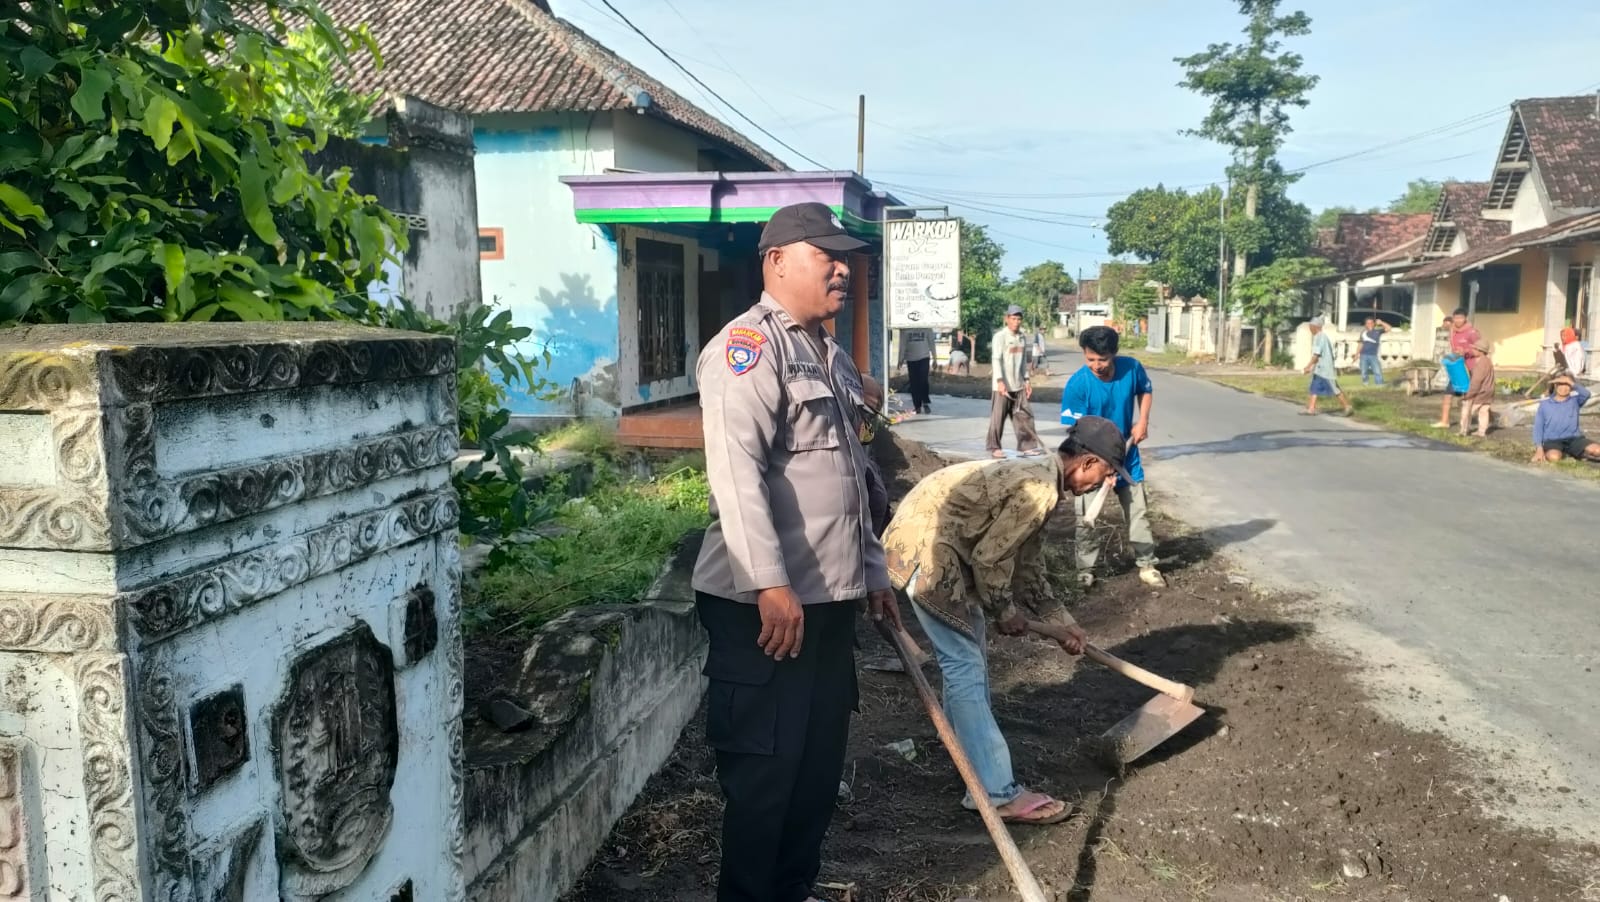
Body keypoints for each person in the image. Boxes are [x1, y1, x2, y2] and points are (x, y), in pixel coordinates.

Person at [693, 201, 901, 902]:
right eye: (827, 255)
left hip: (828, 606)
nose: (843, 269)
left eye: (847, 257)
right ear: (778, 260)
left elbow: (852, 477)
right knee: (764, 785)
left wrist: (873, 572)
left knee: (815, 782)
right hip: (766, 610)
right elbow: (735, 473)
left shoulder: (832, 356)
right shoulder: (747, 349)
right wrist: (768, 583)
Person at [880, 417, 1130, 826]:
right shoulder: (1038, 488)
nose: (1106, 482)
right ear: (1086, 462)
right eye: (1106, 473)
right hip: (928, 555)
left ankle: (974, 775)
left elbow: (1028, 564)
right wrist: (1005, 611)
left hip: (936, 552)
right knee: (964, 666)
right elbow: (990, 560)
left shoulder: (1042, 479)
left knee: (967, 665)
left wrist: (1061, 621)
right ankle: (995, 793)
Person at [1060, 326, 1165, 588]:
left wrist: (1142, 421)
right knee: (1087, 517)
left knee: (1138, 511)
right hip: (1092, 462)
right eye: (1090, 359)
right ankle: (1085, 569)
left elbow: (1145, 389)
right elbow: (1078, 432)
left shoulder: (1132, 368)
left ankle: (1147, 563)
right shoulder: (1078, 385)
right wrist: (1104, 469)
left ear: (1114, 354)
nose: (1096, 365)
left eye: (1103, 359)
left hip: (1127, 456)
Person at [987, 304, 1043, 458]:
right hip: (1002, 385)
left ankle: (1027, 446)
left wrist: (1027, 380)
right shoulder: (1000, 336)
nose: (1016, 322)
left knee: (1025, 416)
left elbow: (1024, 360)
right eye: (1013, 318)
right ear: (1007, 319)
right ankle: (994, 447)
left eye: (1019, 319)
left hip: (1018, 384)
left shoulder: (1022, 337)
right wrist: (999, 381)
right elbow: (996, 359)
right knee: (998, 418)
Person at [1532, 372, 1598, 463]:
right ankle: (1566, 454)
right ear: (1555, 385)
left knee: (1597, 450)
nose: (1564, 388)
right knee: (1554, 457)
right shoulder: (1545, 404)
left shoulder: (1575, 400)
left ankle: (1577, 453)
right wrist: (1539, 449)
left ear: (1571, 386)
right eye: (1561, 384)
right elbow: (1538, 428)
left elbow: (1587, 394)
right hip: (1553, 441)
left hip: (1574, 439)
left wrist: (1570, 382)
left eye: (1567, 384)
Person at [1434, 308, 1481, 428]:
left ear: (1465, 318)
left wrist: (1465, 351)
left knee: (1469, 397)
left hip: (1470, 368)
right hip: (1457, 368)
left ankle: (1467, 423)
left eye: (1460, 318)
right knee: (1448, 394)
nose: (1458, 320)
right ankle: (1444, 421)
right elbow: (1444, 327)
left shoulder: (1472, 332)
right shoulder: (1452, 331)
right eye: (1455, 318)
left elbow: (1480, 351)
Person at [1302, 316, 1353, 417]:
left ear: (1316, 327)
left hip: (1326, 368)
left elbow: (1316, 355)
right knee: (1314, 387)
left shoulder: (1321, 337)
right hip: (1320, 369)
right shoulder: (1318, 337)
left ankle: (1347, 406)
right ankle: (1311, 409)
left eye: (1311, 327)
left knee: (1334, 388)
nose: (1309, 329)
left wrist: (1308, 366)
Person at [1458, 337, 1496, 437]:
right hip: (1489, 390)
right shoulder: (1487, 361)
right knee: (1484, 411)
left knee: (1468, 409)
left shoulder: (1481, 364)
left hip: (1481, 391)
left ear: (1480, 351)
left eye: (1475, 349)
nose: (1473, 350)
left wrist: (1469, 394)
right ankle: (1481, 431)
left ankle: (1463, 430)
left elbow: (1476, 381)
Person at [898, 326, 935, 414]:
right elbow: (902, 344)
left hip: (924, 357)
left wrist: (935, 358)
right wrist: (900, 359)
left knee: (923, 380)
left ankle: (925, 402)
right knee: (914, 383)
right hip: (911, 359)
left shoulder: (926, 327)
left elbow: (932, 343)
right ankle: (917, 406)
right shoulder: (905, 328)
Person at [1358, 316, 1389, 385]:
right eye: (1368, 323)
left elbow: (1389, 328)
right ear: (1365, 325)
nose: (1369, 325)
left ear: (1374, 324)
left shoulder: (1378, 331)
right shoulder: (1363, 333)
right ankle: (1365, 383)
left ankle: (1379, 384)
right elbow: (1360, 344)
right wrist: (1357, 354)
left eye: (1371, 323)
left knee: (1377, 371)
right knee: (1363, 372)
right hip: (1363, 355)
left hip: (1373, 355)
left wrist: (1381, 322)